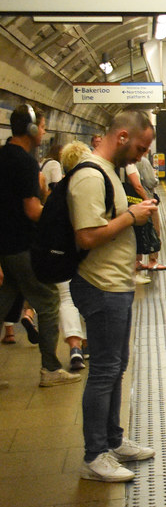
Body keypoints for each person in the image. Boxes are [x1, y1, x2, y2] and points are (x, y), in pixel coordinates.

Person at [69, 110, 160, 482]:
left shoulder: (109, 171)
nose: (141, 155)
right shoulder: (90, 176)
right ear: (122, 136)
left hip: (117, 284)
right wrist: (133, 217)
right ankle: (95, 456)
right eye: (140, 147)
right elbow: (86, 236)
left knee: (116, 366)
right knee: (104, 371)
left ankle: (113, 440)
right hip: (101, 286)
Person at [0, 104, 81, 387]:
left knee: (3, 303)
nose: (44, 133)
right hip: (22, 245)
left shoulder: (2, 154)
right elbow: (32, 210)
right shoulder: (23, 162)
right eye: (43, 127)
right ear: (33, 129)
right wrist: (59, 219)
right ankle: (50, 368)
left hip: (5, 248)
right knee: (48, 301)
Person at [58, 141, 94, 370]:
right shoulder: (88, 188)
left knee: (66, 299)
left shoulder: (58, 191)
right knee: (90, 297)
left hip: (60, 254)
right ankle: (89, 343)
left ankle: (75, 347)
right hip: (85, 254)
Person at [136, 153, 166, 271]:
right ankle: (152, 261)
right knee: (154, 230)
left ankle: (136, 261)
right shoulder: (143, 162)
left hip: (131, 202)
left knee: (136, 232)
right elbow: (151, 182)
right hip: (146, 200)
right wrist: (156, 179)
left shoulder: (122, 161)